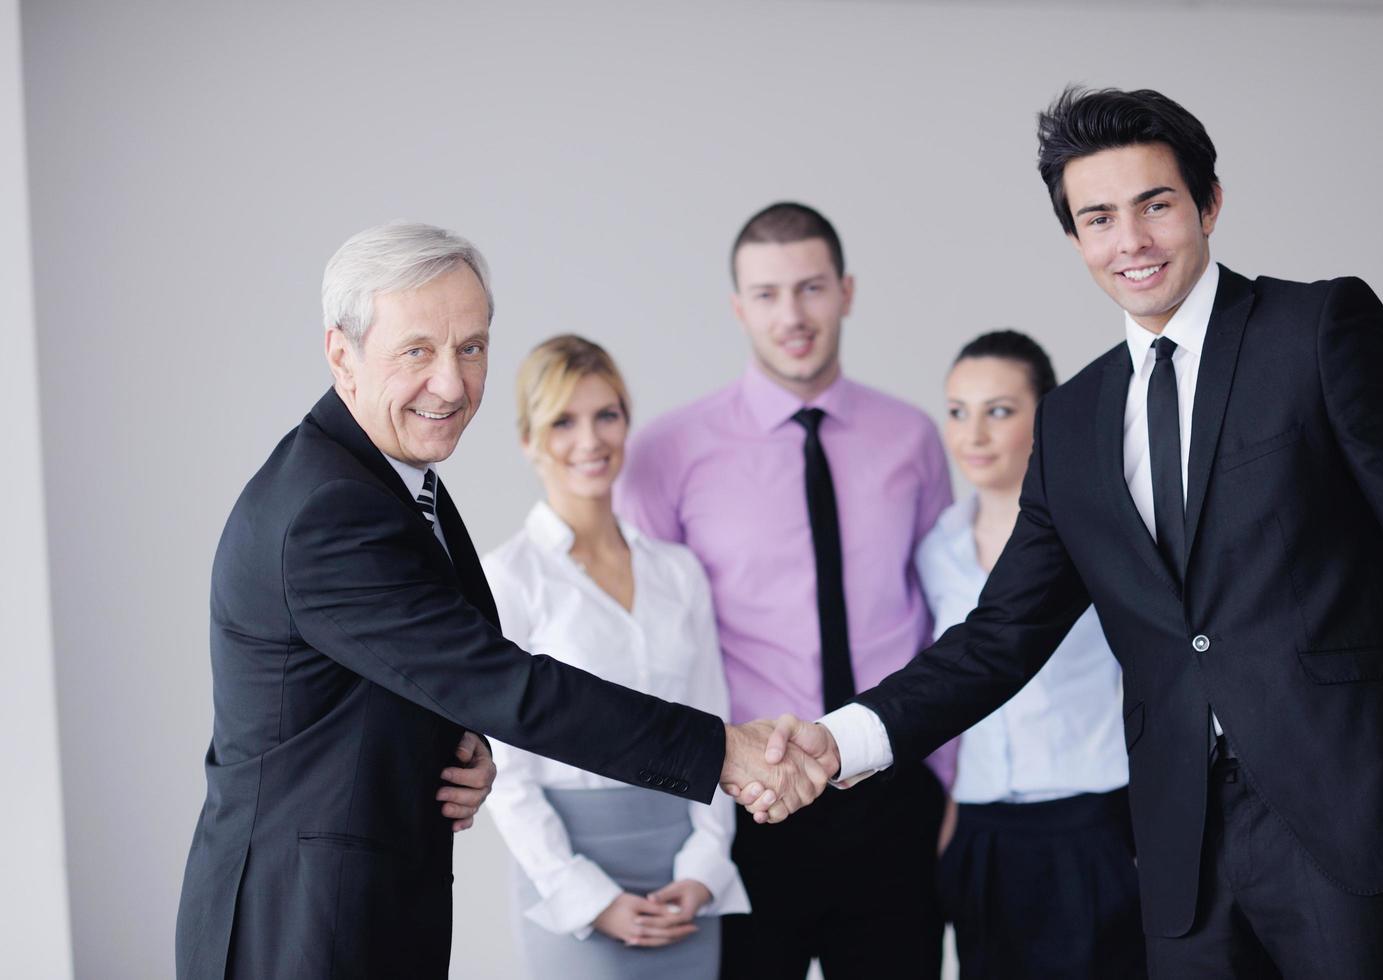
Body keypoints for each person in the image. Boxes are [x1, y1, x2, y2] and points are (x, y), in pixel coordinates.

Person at [750, 88, 1383, 978]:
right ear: (1075, 239)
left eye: (1155, 205)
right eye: (1098, 217)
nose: (1130, 241)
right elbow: (999, 635)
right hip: (1178, 848)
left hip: (1343, 814)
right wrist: (846, 737)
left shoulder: (1317, 331)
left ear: (1208, 203)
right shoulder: (1073, 421)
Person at [175, 221, 827, 980]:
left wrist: (458, 747)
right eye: (417, 350)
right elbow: (504, 682)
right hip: (300, 926)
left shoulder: (389, 479)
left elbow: (412, 667)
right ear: (341, 354)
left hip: (355, 905)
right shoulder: (330, 508)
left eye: (472, 347)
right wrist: (722, 749)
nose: (451, 384)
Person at [616, 202, 955, 980]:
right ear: (738, 307)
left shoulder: (911, 439)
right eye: (767, 295)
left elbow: (950, 615)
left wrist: (949, 783)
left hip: (893, 792)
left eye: (810, 288)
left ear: (846, 291)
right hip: (748, 803)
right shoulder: (668, 453)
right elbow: (650, 641)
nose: (792, 315)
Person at [482, 335, 749, 978]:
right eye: (563, 421)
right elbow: (507, 771)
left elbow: (715, 730)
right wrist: (588, 897)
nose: (590, 440)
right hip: (569, 875)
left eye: (607, 415)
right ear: (528, 440)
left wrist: (704, 869)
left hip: (682, 871)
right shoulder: (508, 578)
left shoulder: (678, 573)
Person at [920, 330, 1142, 978]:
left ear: (1045, 417)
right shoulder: (937, 548)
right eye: (958, 411)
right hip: (984, 830)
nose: (974, 435)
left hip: (1094, 821)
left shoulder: (1098, 532)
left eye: (1000, 410)